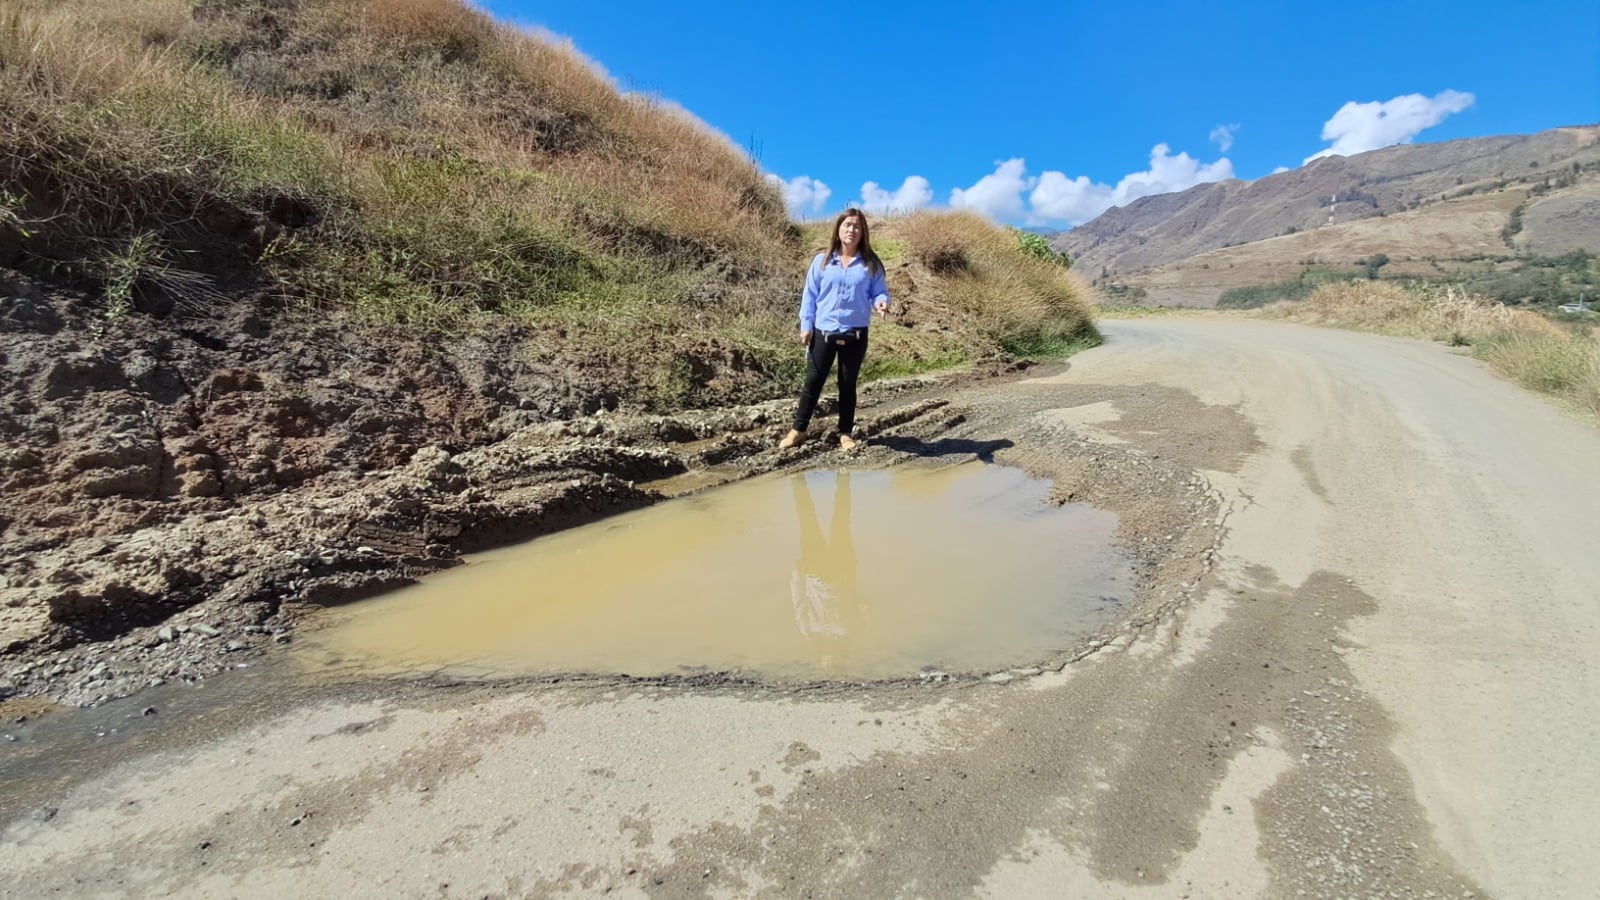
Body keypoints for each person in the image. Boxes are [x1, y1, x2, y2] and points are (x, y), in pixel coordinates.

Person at [779, 207, 890, 451]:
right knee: (813, 382)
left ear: (863, 232)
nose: (852, 230)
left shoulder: (871, 264)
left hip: (856, 334)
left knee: (847, 385)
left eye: (857, 226)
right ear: (838, 229)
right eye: (847, 225)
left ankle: (845, 434)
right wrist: (805, 325)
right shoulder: (822, 261)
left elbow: (878, 290)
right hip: (823, 332)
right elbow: (809, 295)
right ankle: (798, 430)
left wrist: (882, 302)